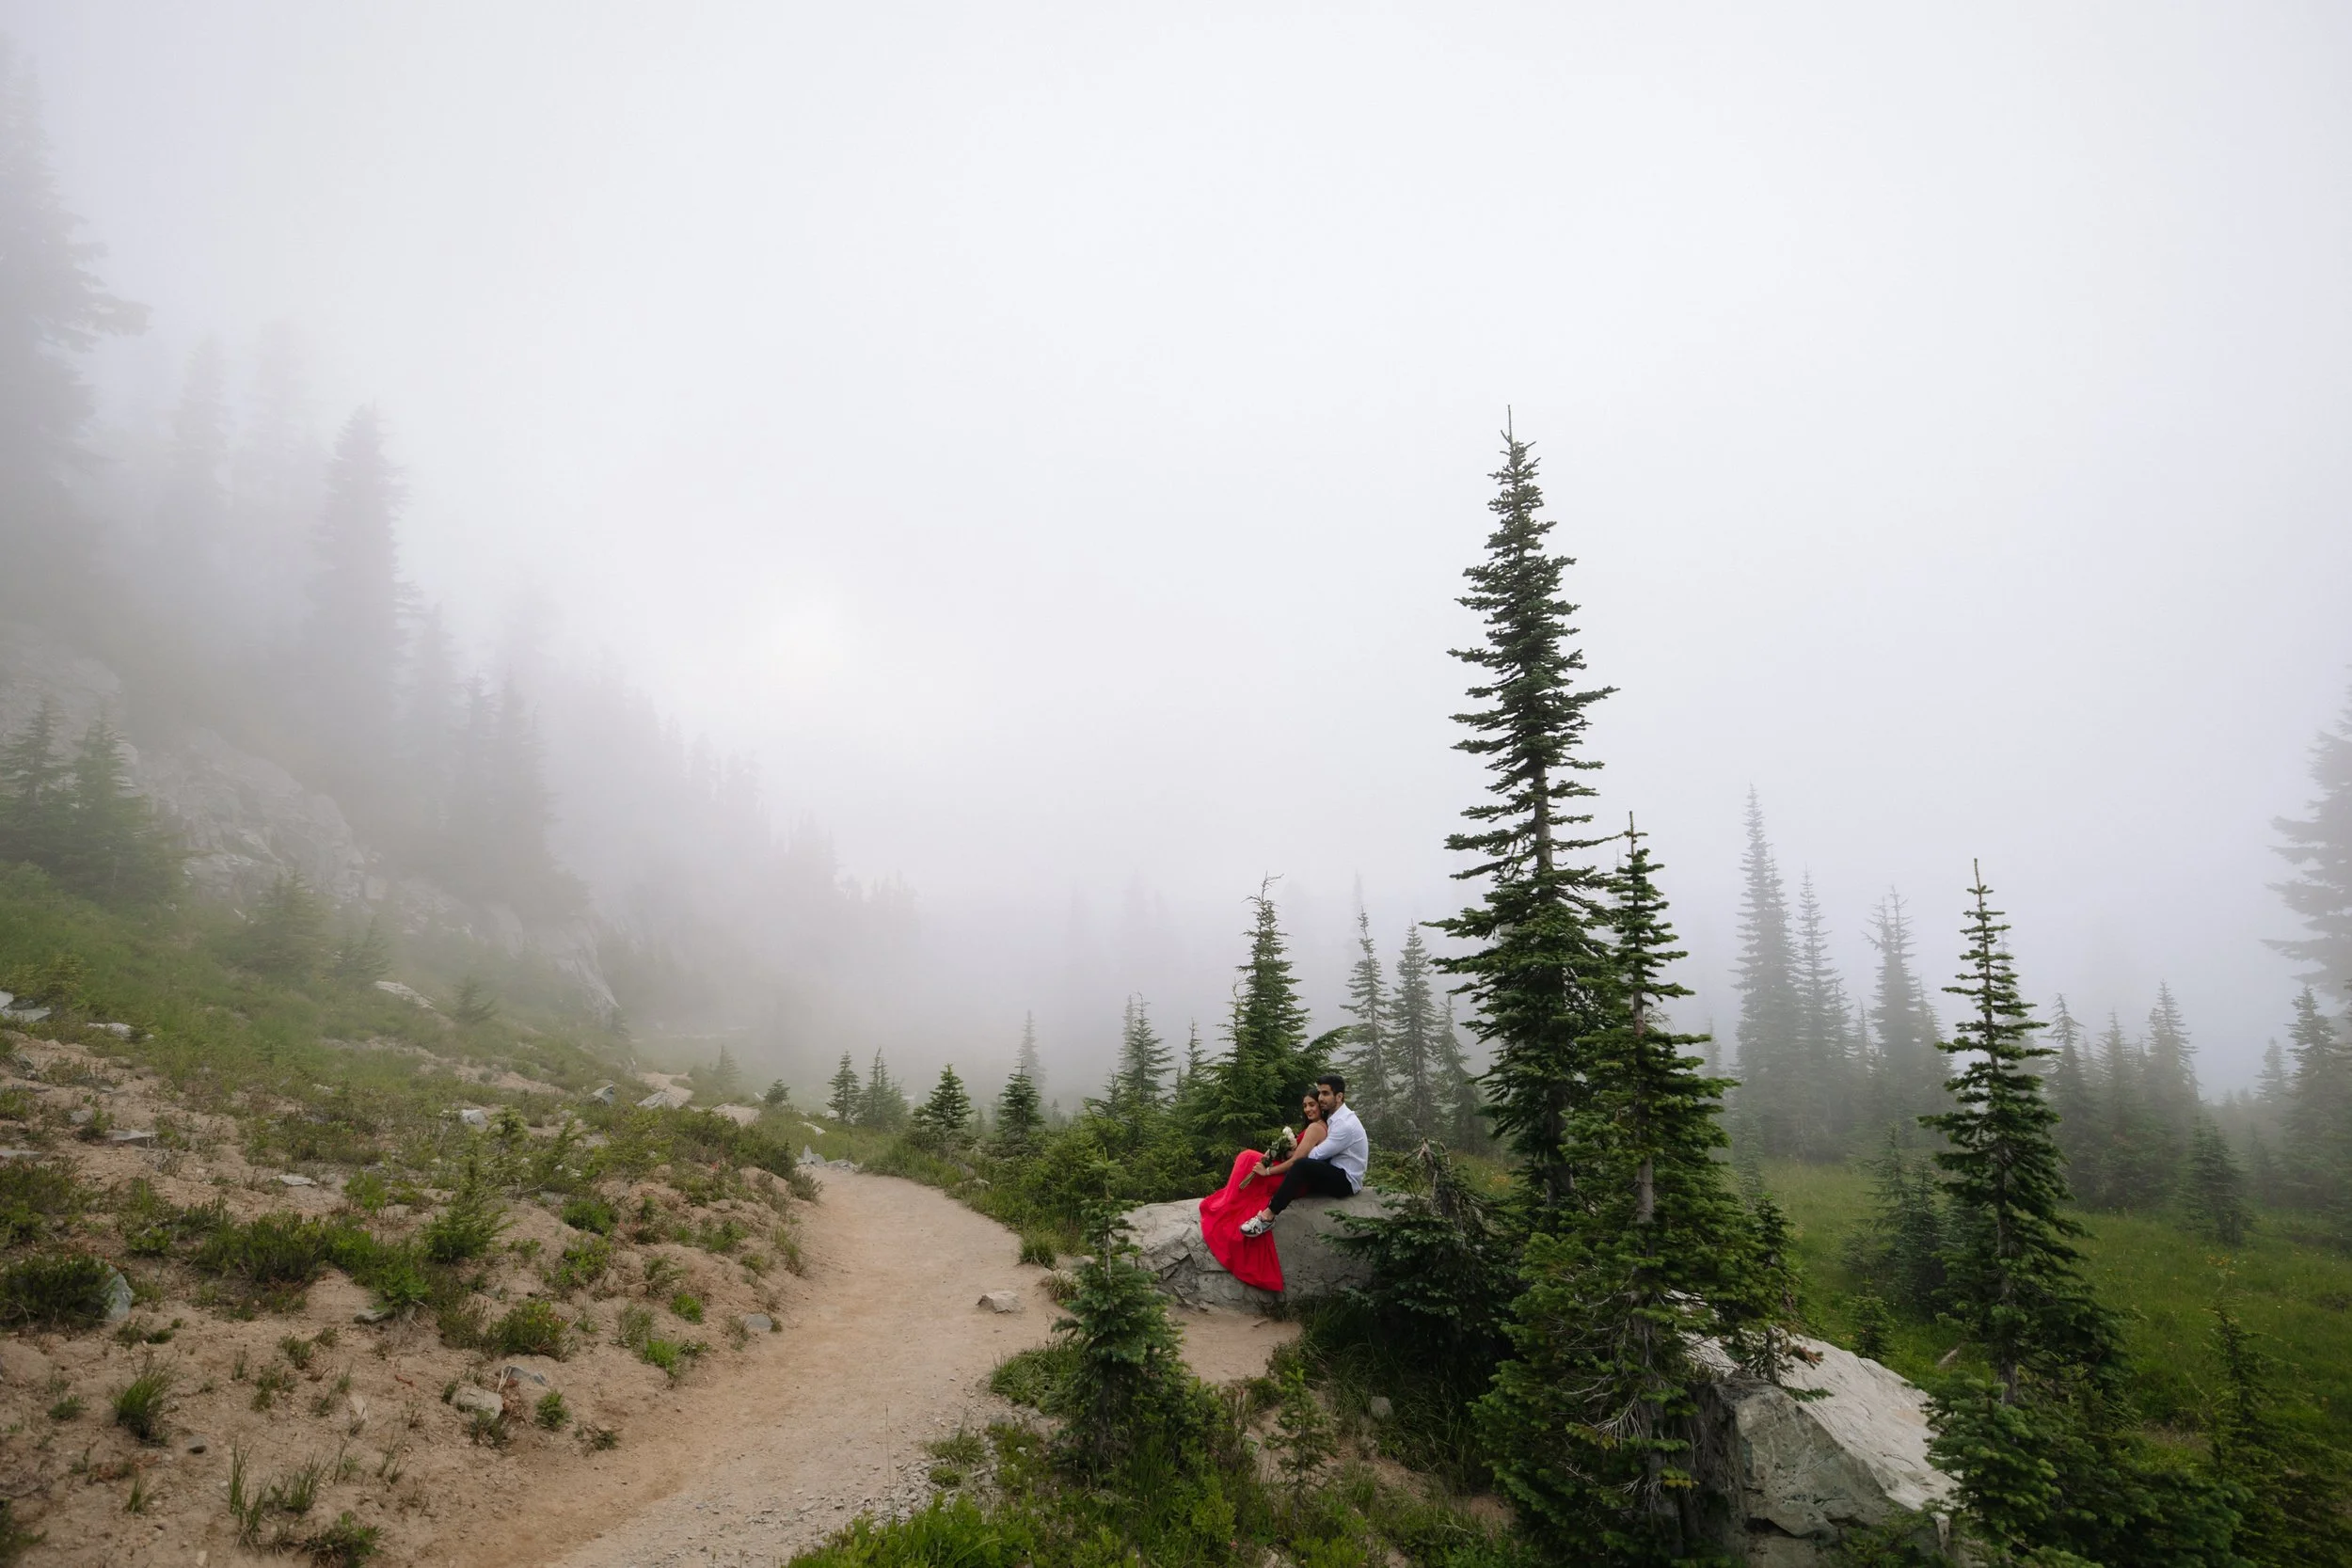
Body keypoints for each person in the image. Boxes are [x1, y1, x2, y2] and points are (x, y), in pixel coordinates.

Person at [1196, 1089, 1326, 1291]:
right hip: (1294, 1176)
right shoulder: (1312, 1127)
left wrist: (1268, 1171)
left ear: (1321, 1105)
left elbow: (1298, 1161)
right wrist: (1281, 1151)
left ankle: (1228, 1204)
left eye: (1312, 1104)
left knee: (1247, 1157)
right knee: (1248, 1158)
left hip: (1295, 1181)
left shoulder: (1317, 1127)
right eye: (1305, 1105)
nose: (1308, 1109)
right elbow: (1297, 1156)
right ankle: (1230, 1200)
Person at [1239, 1074, 1365, 1237]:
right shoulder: (1334, 1116)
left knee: (1301, 1165)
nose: (1321, 1098)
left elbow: (1313, 1156)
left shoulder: (1345, 1124)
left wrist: (1289, 1154)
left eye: (1326, 1093)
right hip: (1334, 1169)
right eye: (1320, 1093)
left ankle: (1267, 1217)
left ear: (1339, 1097)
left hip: (1346, 1181)